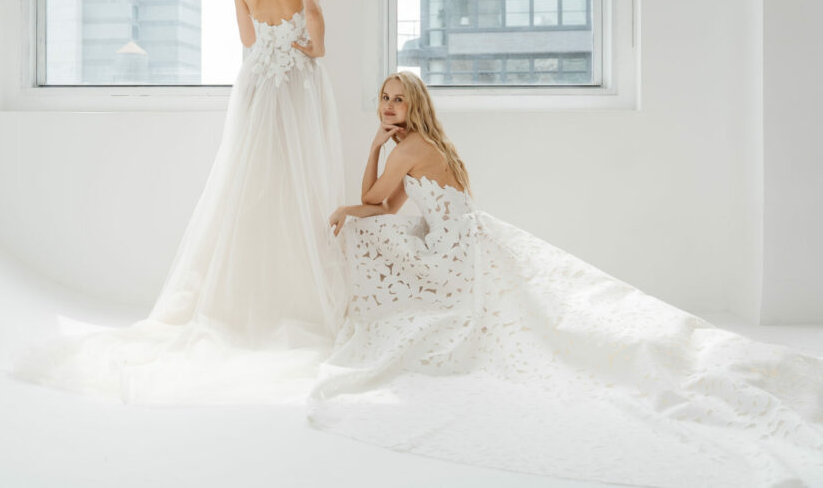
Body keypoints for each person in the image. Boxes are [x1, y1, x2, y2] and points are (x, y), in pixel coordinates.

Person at [309, 71, 823, 487]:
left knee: (555, 317)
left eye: (398, 99)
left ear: (414, 105)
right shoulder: (417, 145)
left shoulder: (408, 147)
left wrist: (372, 151)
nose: (388, 106)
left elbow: (372, 199)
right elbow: (386, 206)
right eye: (384, 98)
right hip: (463, 239)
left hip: (456, 251)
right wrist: (356, 202)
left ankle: (384, 321)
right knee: (370, 229)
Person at [7, 0, 346, 405]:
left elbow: (247, 38)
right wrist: (313, 48)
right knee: (299, 177)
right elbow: (314, 15)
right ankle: (297, 290)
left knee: (249, 181)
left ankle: (243, 293)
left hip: (259, 81)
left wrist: (272, 40)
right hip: (296, 79)